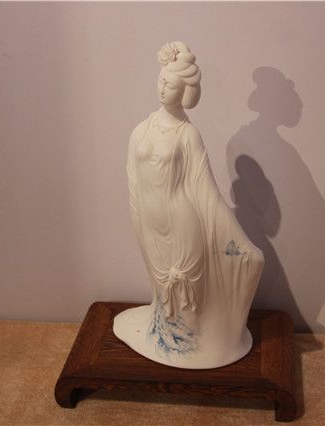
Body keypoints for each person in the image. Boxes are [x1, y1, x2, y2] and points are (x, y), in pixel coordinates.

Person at [113, 42, 264, 369]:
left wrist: (236, 237)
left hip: (182, 222)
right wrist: (138, 221)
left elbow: (205, 190)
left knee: (186, 290)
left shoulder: (188, 135)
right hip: (150, 222)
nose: (162, 88)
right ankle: (166, 338)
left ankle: (192, 346)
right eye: (161, 80)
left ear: (184, 92)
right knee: (161, 289)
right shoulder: (140, 130)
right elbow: (133, 183)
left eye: (170, 85)